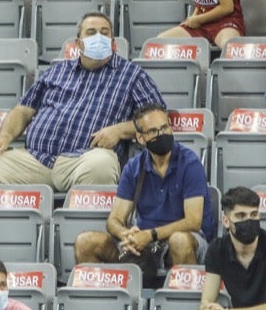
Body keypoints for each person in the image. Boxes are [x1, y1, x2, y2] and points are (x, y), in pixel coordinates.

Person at [0, 11, 166, 198]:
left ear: (113, 43)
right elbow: (22, 111)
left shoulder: (132, 75)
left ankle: (82, 231)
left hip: (84, 159)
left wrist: (119, 131)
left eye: (105, 33)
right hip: (36, 160)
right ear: (79, 43)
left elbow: (158, 120)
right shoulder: (57, 71)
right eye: (91, 33)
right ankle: (16, 230)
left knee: (101, 166)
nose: (99, 37)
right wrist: (4, 138)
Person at [72, 102, 208, 276]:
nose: (161, 134)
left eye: (165, 127)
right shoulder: (134, 167)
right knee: (86, 242)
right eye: (153, 131)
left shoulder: (190, 163)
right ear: (140, 138)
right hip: (143, 243)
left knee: (179, 240)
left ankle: (186, 301)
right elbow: (114, 220)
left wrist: (150, 235)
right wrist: (127, 234)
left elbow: (193, 222)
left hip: (184, 238)